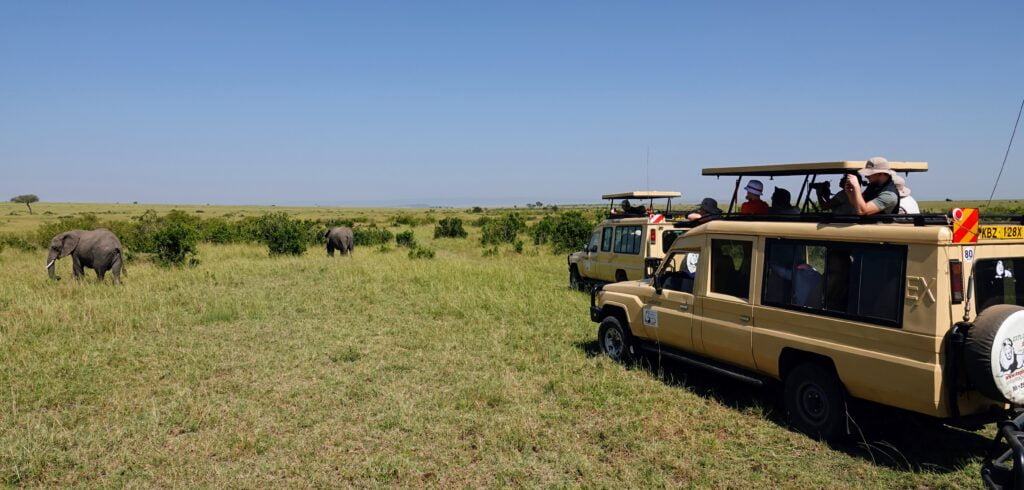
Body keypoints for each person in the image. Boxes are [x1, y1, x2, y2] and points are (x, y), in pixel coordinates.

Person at [815, 157, 899, 215]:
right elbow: (857, 206)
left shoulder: (889, 195)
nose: (866, 176)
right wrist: (850, 193)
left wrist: (856, 188)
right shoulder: (873, 187)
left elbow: (863, 211)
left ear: (880, 174)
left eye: (869, 174)